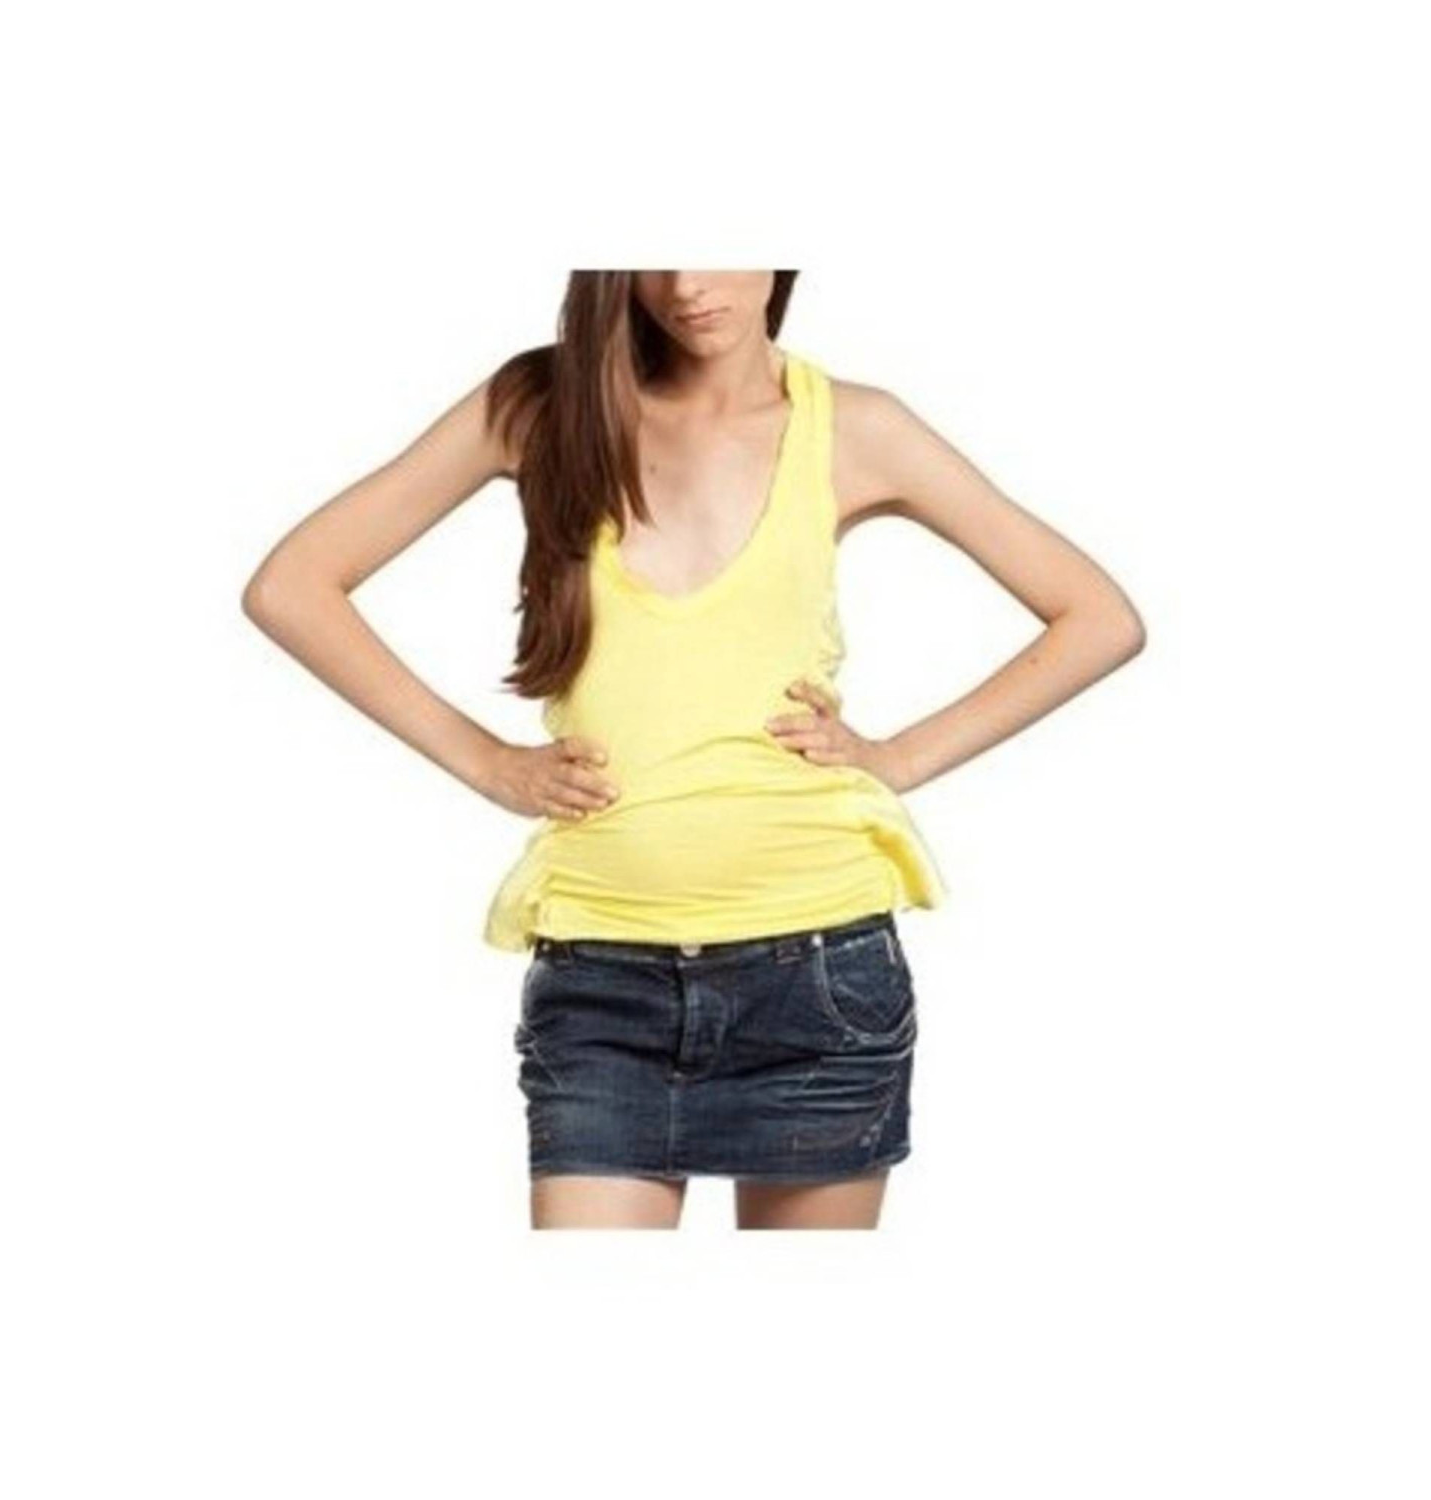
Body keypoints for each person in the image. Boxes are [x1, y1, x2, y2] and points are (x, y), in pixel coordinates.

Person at [241, 270, 1146, 1231]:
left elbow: (1098, 617)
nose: (686, 285)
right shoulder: (540, 406)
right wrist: (488, 763)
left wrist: (899, 758)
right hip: (602, 987)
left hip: (818, 979)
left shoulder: (857, 428)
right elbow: (292, 586)